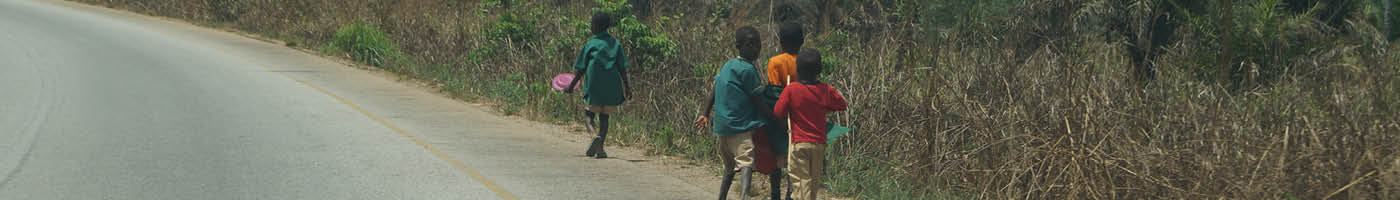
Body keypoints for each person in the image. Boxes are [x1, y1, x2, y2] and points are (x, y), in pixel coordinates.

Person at [695, 26, 773, 200]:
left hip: (722, 126)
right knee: (746, 161)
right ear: (740, 45)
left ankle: (722, 196)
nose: (756, 48)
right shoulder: (748, 70)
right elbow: (758, 100)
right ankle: (744, 195)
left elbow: (714, 90)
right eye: (751, 44)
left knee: (729, 167)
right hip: (740, 126)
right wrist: (774, 119)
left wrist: (705, 113)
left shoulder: (728, 65)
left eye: (757, 44)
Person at [773, 49, 847, 200]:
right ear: (819, 70)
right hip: (818, 144)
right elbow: (841, 104)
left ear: (797, 70)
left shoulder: (791, 89)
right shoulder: (825, 89)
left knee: (801, 185)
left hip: (799, 143)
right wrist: (825, 106)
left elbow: (778, 111)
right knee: (813, 184)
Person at [564, 12, 629, 159]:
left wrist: (571, 86)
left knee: (588, 116)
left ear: (596, 26)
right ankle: (600, 149)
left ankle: (593, 136)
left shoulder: (591, 43)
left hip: (595, 84)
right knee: (605, 117)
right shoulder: (615, 43)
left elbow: (581, 69)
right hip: (612, 85)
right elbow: (623, 68)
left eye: (592, 24)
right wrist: (627, 87)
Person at [755, 21, 805, 200]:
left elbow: (775, 91)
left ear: (781, 42)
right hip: (800, 115)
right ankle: (791, 194)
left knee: (776, 156)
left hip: (779, 114)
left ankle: (775, 192)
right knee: (795, 157)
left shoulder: (775, 62)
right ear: (802, 41)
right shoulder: (805, 60)